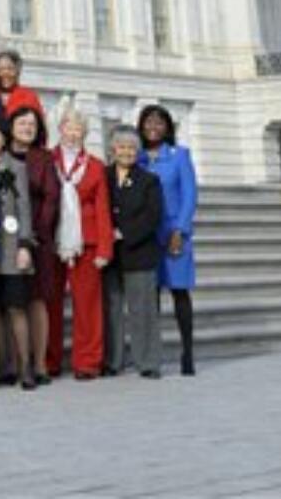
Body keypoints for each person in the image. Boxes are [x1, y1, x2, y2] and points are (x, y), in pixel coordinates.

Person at [47, 106, 113, 380]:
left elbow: (102, 209)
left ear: (84, 133)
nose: (73, 134)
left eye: (78, 129)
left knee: (87, 305)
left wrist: (104, 248)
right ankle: (48, 360)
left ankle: (87, 361)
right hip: (52, 240)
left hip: (86, 242)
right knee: (50, 304)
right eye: (69, 127)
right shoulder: (46, 160)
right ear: (60, 129)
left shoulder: (96, 166)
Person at [138, 103, 199, 376]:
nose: (153, 126)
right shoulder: (136, 157)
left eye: (159, 122)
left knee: (179, 293)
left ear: (168, 127)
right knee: (150, 298)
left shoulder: (179, 155)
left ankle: (188, 352)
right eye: (148, 121)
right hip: (146, 237)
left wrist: (180, 230)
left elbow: (189, 195)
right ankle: (152, 358)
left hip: (174, 234)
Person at [0, 114, 36, 390]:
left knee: (16, 307)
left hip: (11, 246)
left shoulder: (15, 166)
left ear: (4, 138)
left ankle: (26, 366)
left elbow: (24, 207)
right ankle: (4, 366)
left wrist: (25, 245)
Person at [104, 124, 164, 379]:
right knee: (111, 310)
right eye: (121, 147)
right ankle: (112, 361)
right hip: (109, 255)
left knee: (143, 311)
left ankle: (148, 362)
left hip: (139, 252)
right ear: (113, 149)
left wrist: (123, 233)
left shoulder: (149, 180)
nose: (126, 152)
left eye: (131, 147)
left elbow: (153, 216)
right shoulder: (102, 175)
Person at [7, 104, 61, 384]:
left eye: (32, 124)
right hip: (5, 239)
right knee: (13, 301)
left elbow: (52, 198)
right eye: (22, 123)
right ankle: (17, 363)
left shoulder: (44, 158)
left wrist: (34, 234)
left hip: (38, 237)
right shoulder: (0, 155)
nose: (27, 128)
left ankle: (40, 364)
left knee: (37, 300)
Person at [0, 49, 45, 121]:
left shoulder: (29, 96)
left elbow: (41, 127)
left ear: (18, 71)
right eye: (1, 69)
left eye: (10, 69)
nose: (6, 73)